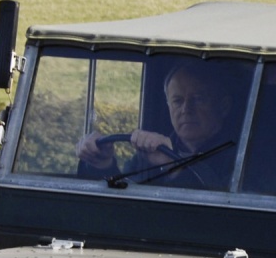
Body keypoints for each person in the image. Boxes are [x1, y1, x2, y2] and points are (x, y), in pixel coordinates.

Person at [75, 61, 238, 188]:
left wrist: (174, 167)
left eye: (198, 99)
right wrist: (102, 164)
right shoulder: (149, 153)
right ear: (168, 105)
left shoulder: (241, 157)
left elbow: (221, 208)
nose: (186, 109)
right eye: (177, 101)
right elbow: (120, 200)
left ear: (223, 106)